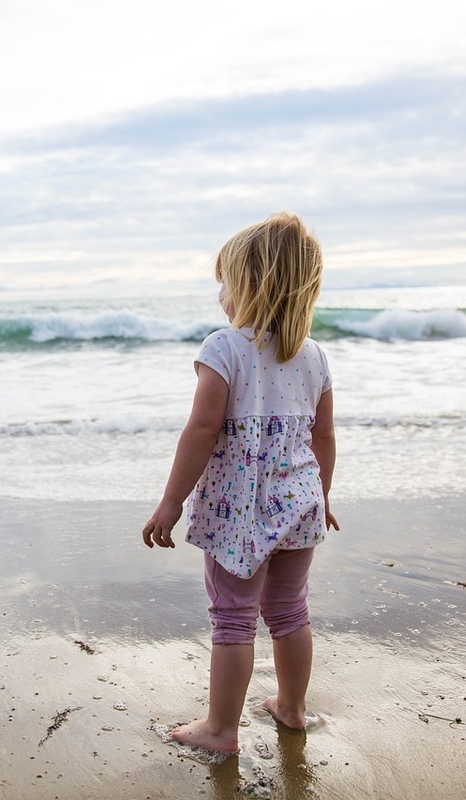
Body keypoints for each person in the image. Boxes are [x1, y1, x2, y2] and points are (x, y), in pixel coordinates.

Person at [141, 211, 338, 756]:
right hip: (302, 502)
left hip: (241, 512)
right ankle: (293, 710)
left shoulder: (225, 347)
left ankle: (222, 730)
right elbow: (323, 439)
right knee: (290, 609)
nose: (221, 295)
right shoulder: (314, 355)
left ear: (250, 286)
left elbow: (203, 429)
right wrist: (323, 498)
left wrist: (171, 501)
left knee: (233, 616)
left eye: (226, 282)